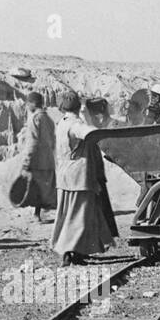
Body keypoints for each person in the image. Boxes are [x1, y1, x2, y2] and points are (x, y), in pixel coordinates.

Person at [51, 90, 117, 266]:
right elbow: (92, 134)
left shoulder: (62, 123)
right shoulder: (75, 124)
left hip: (65, 175)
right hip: (79, 177)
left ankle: (77, 251)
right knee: (79, 217)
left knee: (68, 215)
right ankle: (69, 251)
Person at [17, 91, 56, 222]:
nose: (27, 106)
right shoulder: (49, 119)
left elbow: (32, 142)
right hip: (49, 159)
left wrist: (27, 161)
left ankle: (37, 216)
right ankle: (38, 213)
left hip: (38, 160)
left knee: (36, 188)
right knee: (44, 188)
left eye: (28, 103)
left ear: (33, 103)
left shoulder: (35, 118)